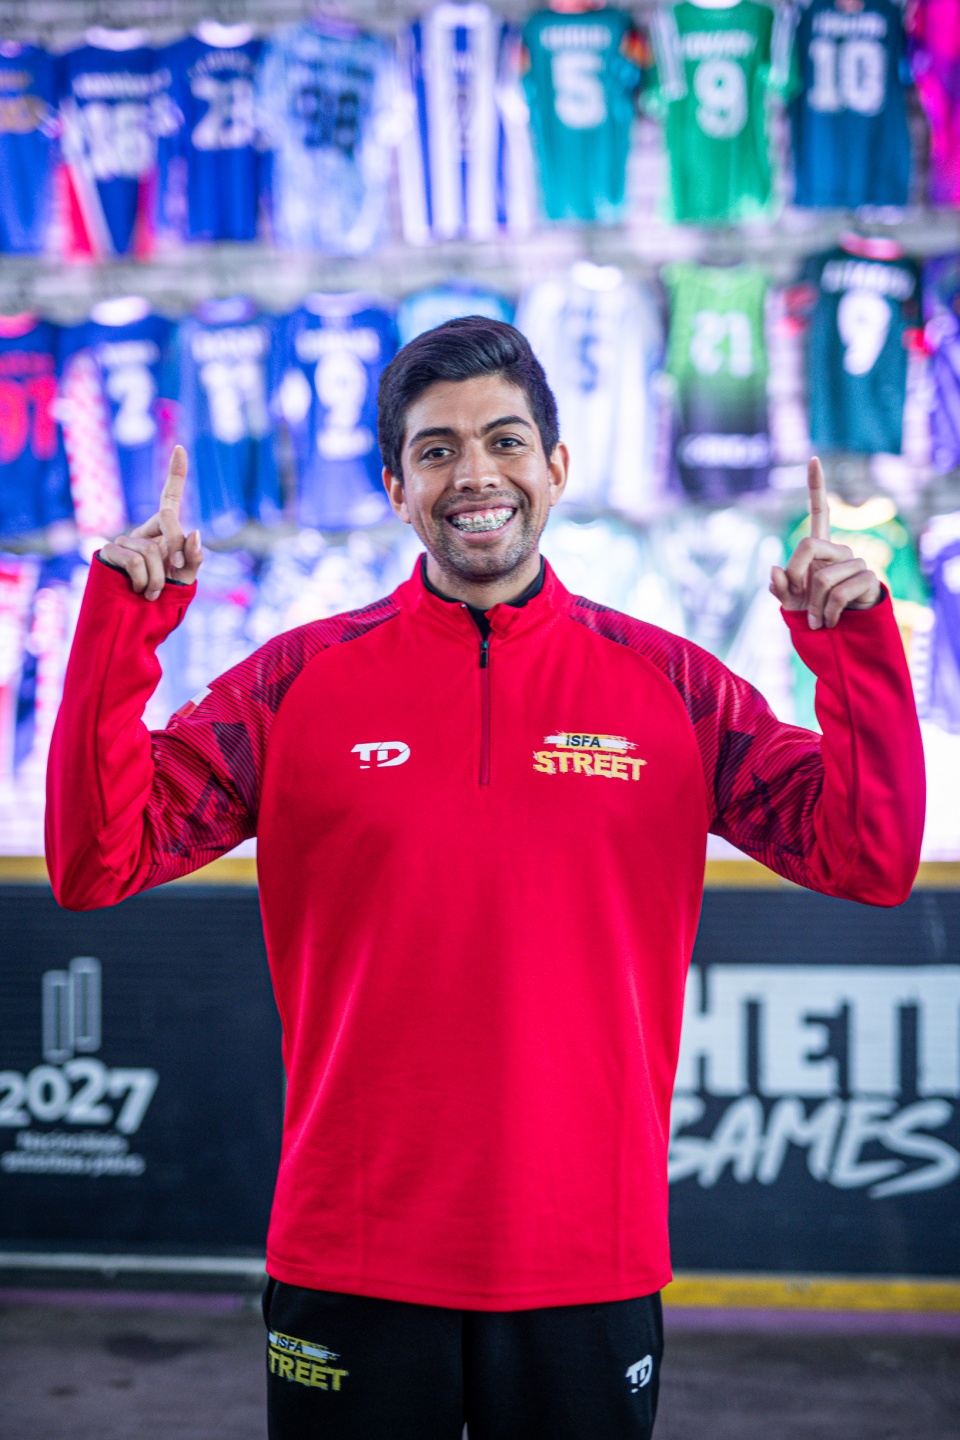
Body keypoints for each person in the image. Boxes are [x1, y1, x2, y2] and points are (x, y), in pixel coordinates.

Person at [46, 318, 925, 1440]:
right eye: (436, 450)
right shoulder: (293, 683)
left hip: (587, 1258)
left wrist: (854, 649)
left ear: (555, 468)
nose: (475, 474)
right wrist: (121, 633)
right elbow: (96, 861)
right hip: (351, 1252)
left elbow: (867, 857)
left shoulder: (673, 687)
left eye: (505, 441)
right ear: (396, 488)